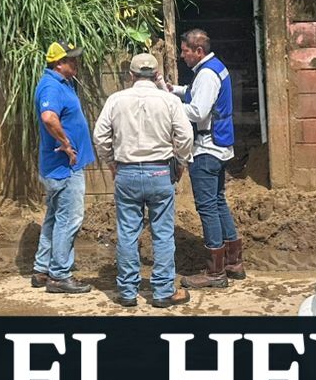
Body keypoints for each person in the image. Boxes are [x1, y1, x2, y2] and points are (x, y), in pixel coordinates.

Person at [93, 52, 195, 308]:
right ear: (155, 74)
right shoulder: (169, 100)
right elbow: (185, 136)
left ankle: (127, 292)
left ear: (131, 75)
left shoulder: (116, 100)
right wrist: (181, 162)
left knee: (127, 232)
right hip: (159, 172)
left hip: (126, 172)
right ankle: (162, 292)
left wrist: (112, 162)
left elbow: (100, 136)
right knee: (162, 233)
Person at [174, 28, 243, 289]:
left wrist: (168, 105)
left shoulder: (206, 74)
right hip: (220, 146)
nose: (183, 56)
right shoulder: (215, 68)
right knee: (218, 201)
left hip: (206, 148)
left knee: (207, 208)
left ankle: (215, 273)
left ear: (198, 51)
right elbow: (195, 94)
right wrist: (171, 90)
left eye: (185, 51)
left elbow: (197, 110)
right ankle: (234, 261)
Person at [31, 41, 95, 294]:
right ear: (59, 64)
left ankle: (42, 269)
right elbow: (48, 117)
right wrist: (66, 144)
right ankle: (59, 276)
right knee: (69, 219)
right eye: (71, 60)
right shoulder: (50, 85)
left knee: (54, 219)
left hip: (61, 168)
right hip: (64, 168)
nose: (76, 62)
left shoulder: (61, 84)